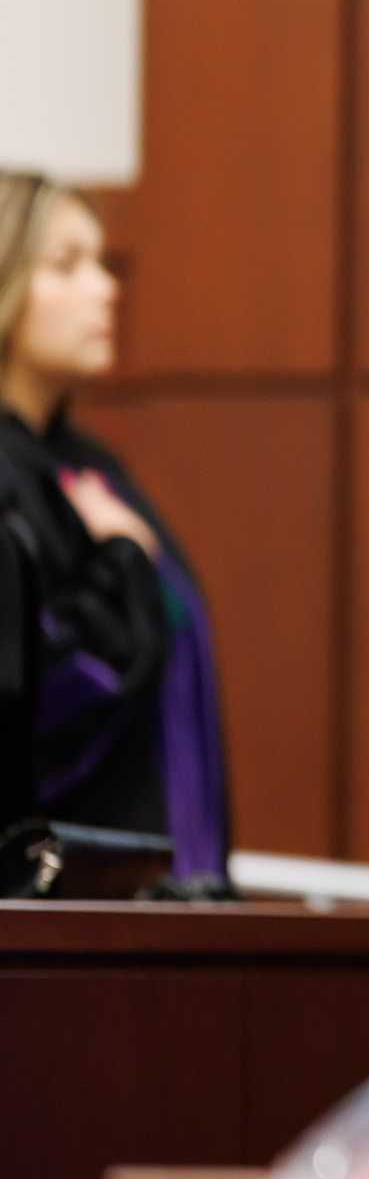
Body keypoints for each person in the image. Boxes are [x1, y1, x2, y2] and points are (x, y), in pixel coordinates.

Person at [0, 173, 231, 889]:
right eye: (67, 265)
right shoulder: (13, 480)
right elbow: (49, 699)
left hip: (150, 884)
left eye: (103, 262)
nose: (106, 288)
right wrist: (126, 559)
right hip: (52, 910)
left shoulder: (91, 471)